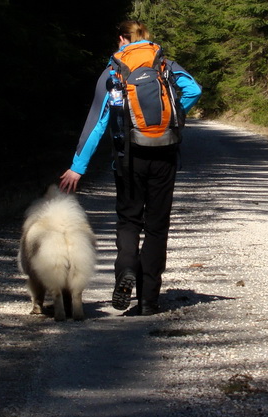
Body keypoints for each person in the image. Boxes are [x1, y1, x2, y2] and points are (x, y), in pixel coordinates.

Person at [59, 20, 202, 316]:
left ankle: (125, 269)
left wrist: (78, 167)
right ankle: (149, 300)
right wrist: (174, 118)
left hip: (128, 158)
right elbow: (194, 90)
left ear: (122, 38)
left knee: (129, 221)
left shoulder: (113, 71)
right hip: (164, 153)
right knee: (157, 226)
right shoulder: (165, 63)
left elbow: (97, 123)